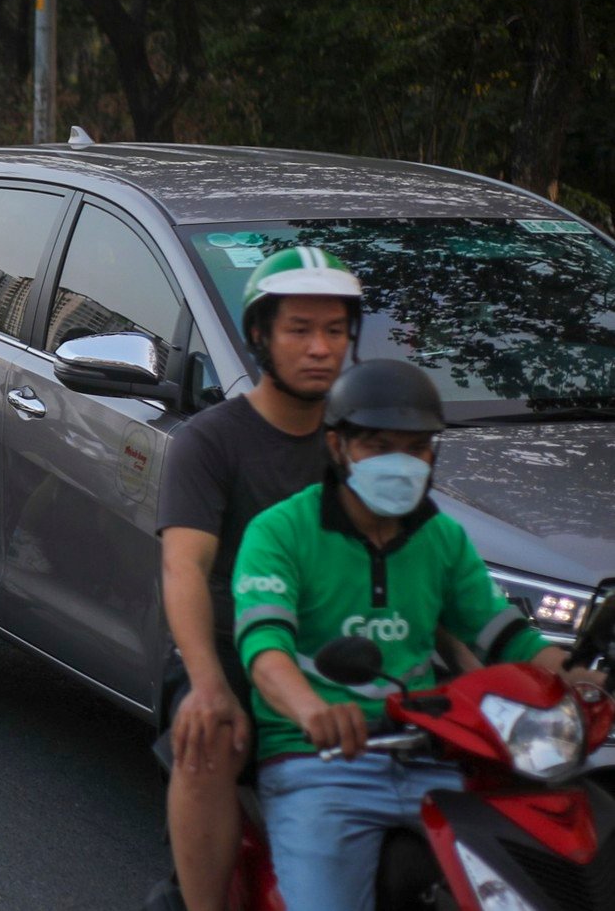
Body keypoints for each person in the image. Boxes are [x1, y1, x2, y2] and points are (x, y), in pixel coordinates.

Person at [235, 359, 596, 910]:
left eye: (417, 447)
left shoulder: (442, 538)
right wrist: (314, 712)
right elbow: (264, 650)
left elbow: (506, 637)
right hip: (319, 766)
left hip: (438, 761)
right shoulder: (280, 532)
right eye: (379, 446)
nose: (400, 463)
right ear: (337, 447)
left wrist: (573, 679)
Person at [156, 247, 362, 910]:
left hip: (342, 645)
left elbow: (429, 566)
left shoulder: (365, 443)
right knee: (205, 735)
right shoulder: (211, 441)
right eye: (300, 329)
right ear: (260, 337)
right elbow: (183, 566)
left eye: (335, 330)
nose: (321, 348)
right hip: (229, 653)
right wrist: (208, 684)